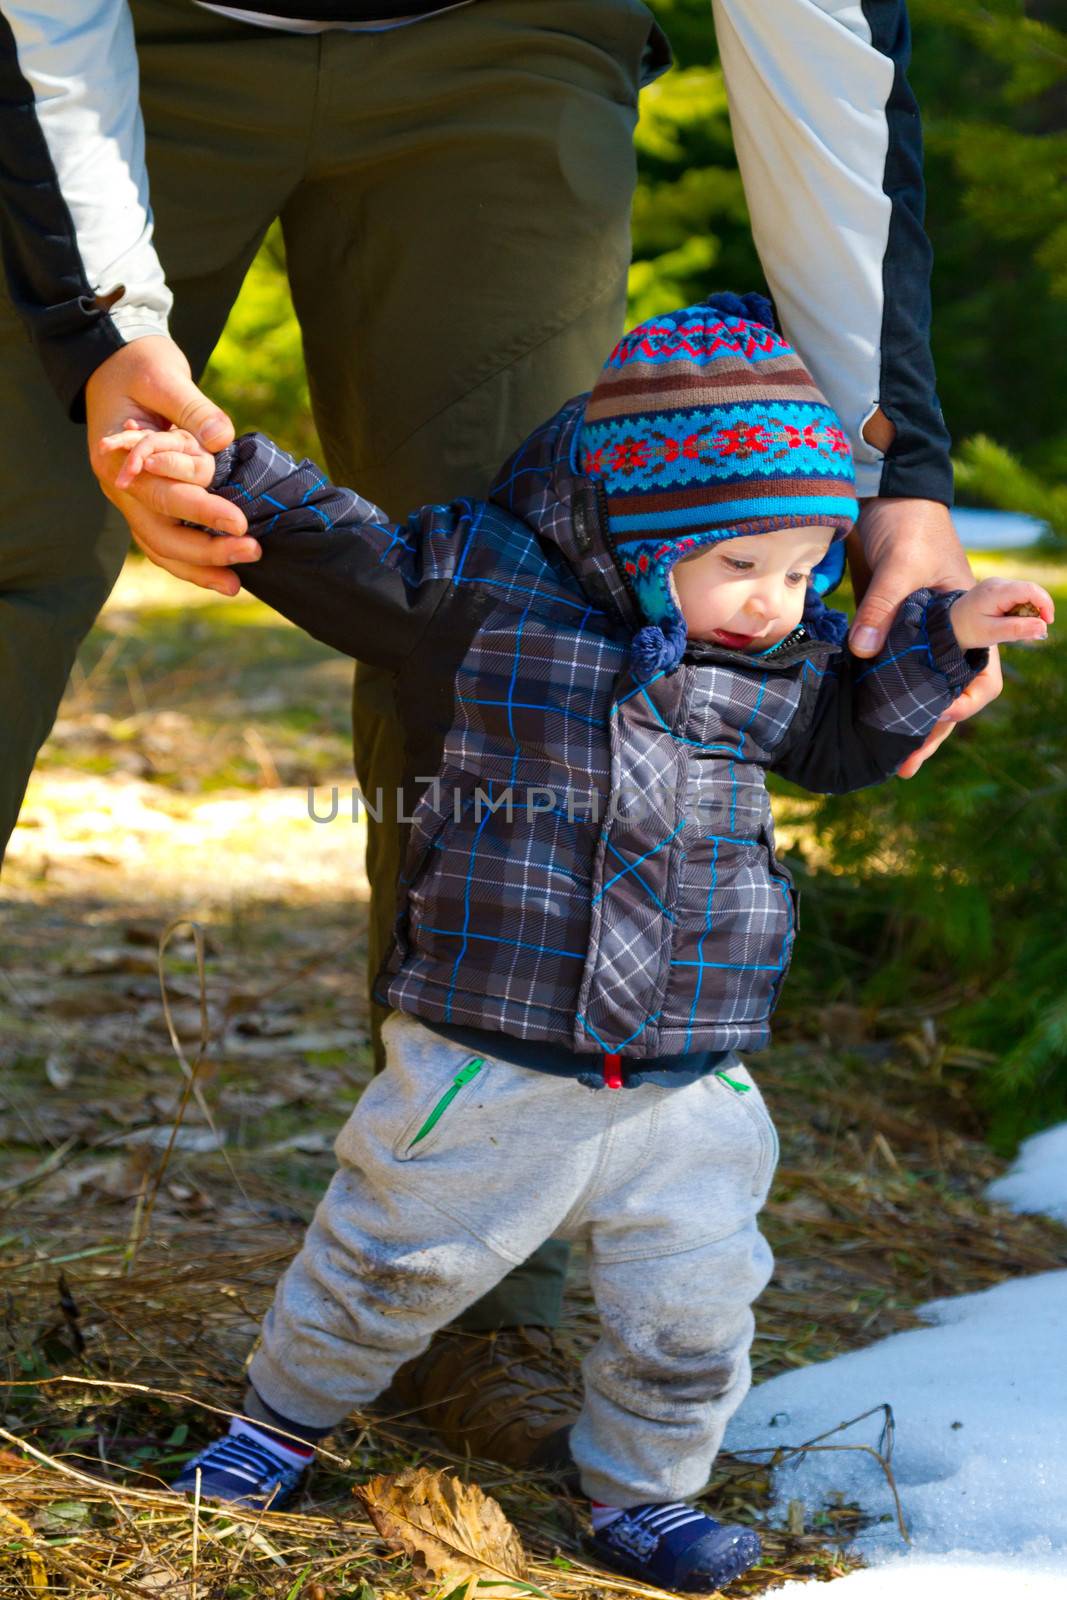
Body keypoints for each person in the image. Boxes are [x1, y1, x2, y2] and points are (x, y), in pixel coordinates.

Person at [0, 0, 1001, 1467]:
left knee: (551, 622)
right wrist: (104, 333)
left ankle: (475, 1308)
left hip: (511, 45)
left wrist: (894, 469)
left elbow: (825, 41)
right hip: (123, 46)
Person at [102, 295, 1051, 1589]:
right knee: (389, 1257)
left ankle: (640, 1494)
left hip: (692, 1063)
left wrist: (941, 645)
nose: (774, 604)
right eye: (743, 567)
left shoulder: (763, 665)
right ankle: (276, 1425)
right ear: (650, 530)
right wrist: (220, 473)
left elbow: (849, 739)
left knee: (694, 1309)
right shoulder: (485, 589)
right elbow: (341, 549)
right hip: (493, 1047)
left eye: (802, 570)